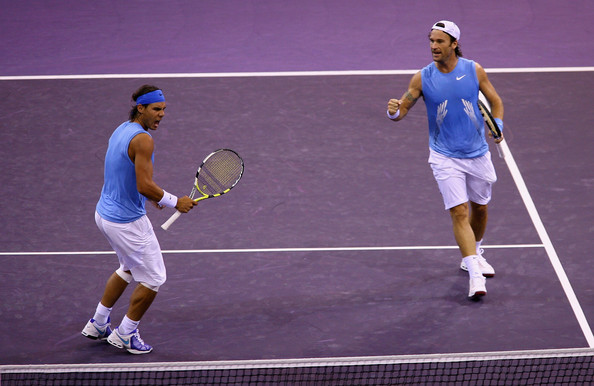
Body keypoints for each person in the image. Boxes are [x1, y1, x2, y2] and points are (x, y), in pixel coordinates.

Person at [386, 21, 504, 299]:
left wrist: (496, 123)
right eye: (431, 41)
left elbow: (496, 101)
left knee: (481, 209)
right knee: (459, 212)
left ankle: (473, 253)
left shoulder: (474, 70)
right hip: (444, 156)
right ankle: (475, 273)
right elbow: (401, 112)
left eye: (440, 41)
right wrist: (393, 111)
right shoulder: (421, 78)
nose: (433, 46)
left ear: (454, 44)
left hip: (477, 154)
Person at [81, 85, 196, 353]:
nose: (162, 114)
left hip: (104, 214)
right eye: (157, 109)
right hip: (126, 222)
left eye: (164, 109)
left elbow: (124, 173)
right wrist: (173, 201)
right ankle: (125, 334)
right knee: (154, 278)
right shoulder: (144, 140)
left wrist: (151, 196)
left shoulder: (122, 129)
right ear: (141, 108)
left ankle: (98, 322)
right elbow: (144, 184)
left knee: (129, 267)